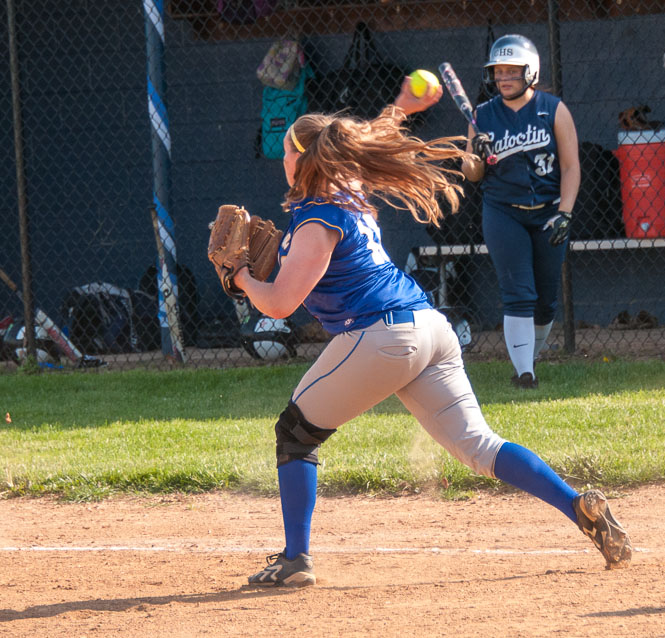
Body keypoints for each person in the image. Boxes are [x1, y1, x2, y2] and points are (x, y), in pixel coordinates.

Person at [231, 76, 629, 588]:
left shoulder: (314, 220)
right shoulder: (349, 191)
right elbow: (365, 140)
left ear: (302, 160)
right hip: (430, 328)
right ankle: (578, 506)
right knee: (480, 446)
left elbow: (281, 304)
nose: (282, 158)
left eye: (287, 150)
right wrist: (401, 105)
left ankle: (294, 560)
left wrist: (242, 278)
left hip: (380, 336)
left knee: (295, 432)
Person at [461, 34, 581, 390]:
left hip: (548, 212)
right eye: (498, 71)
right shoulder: (482, 115)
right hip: (503, 212)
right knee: (518, 292)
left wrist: (565, 212)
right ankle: (524, 373)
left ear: (531, 71)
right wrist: (476, 154)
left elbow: (571, 166)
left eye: (512, 70)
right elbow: (472, 174)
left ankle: (530, 357)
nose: (504, 78)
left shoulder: (553, 109)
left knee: (545, 301)